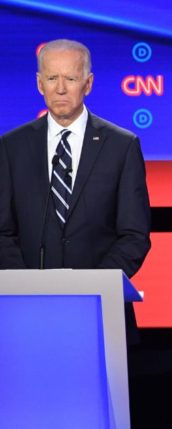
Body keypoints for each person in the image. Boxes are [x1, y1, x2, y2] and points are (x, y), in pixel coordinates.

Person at [0, 39, 151, 336]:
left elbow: (134, 235)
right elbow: (2, 231)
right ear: (39, 84)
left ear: (88, 83)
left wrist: (92, 288)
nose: (60, 88)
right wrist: (28, 288)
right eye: (52, 78)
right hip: (26, 312)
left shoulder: (121, 146)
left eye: (70, 78)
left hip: (101, 311)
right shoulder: (11, 147)